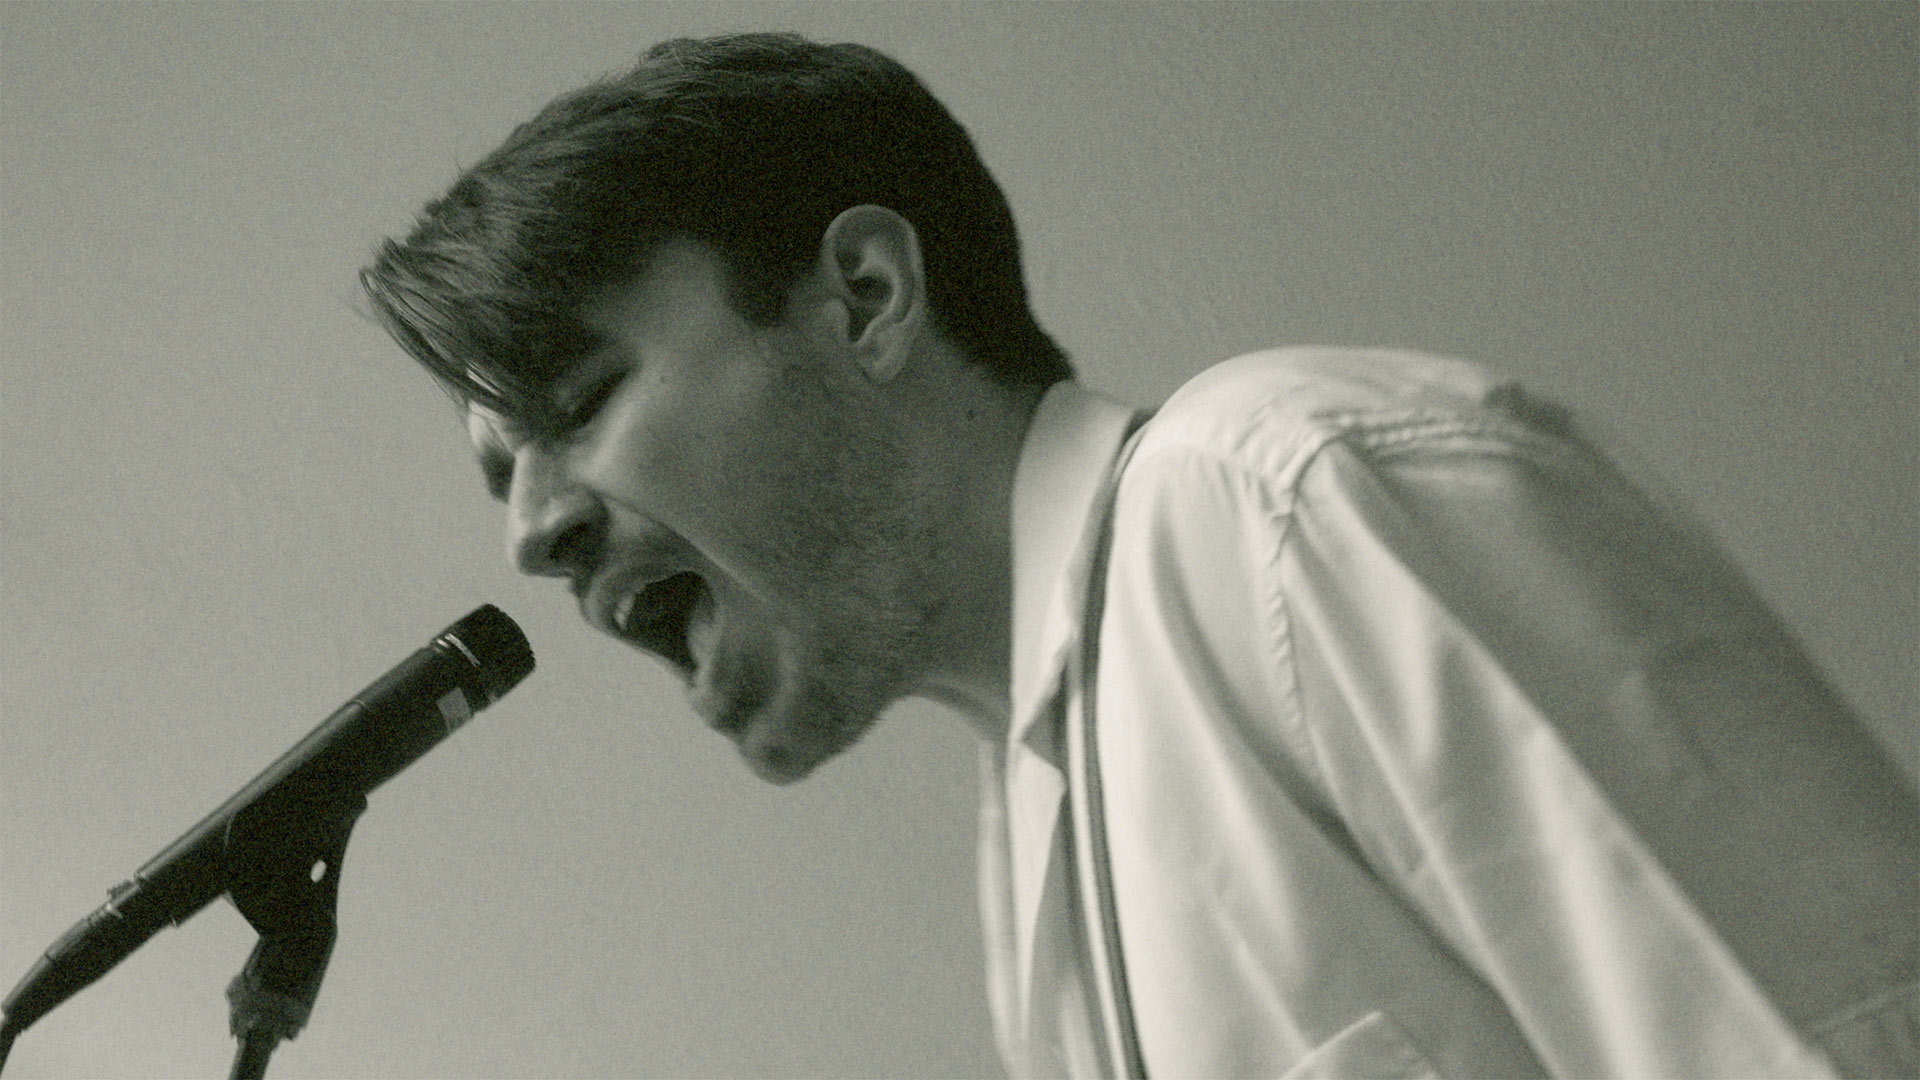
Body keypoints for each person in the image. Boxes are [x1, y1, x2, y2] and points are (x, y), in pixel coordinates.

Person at [360, 32, 1918, 1080]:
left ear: (864, 295)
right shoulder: (1034, 828)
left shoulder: (1290, 501)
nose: (532, 532)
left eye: (580, 401)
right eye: (501, 474)